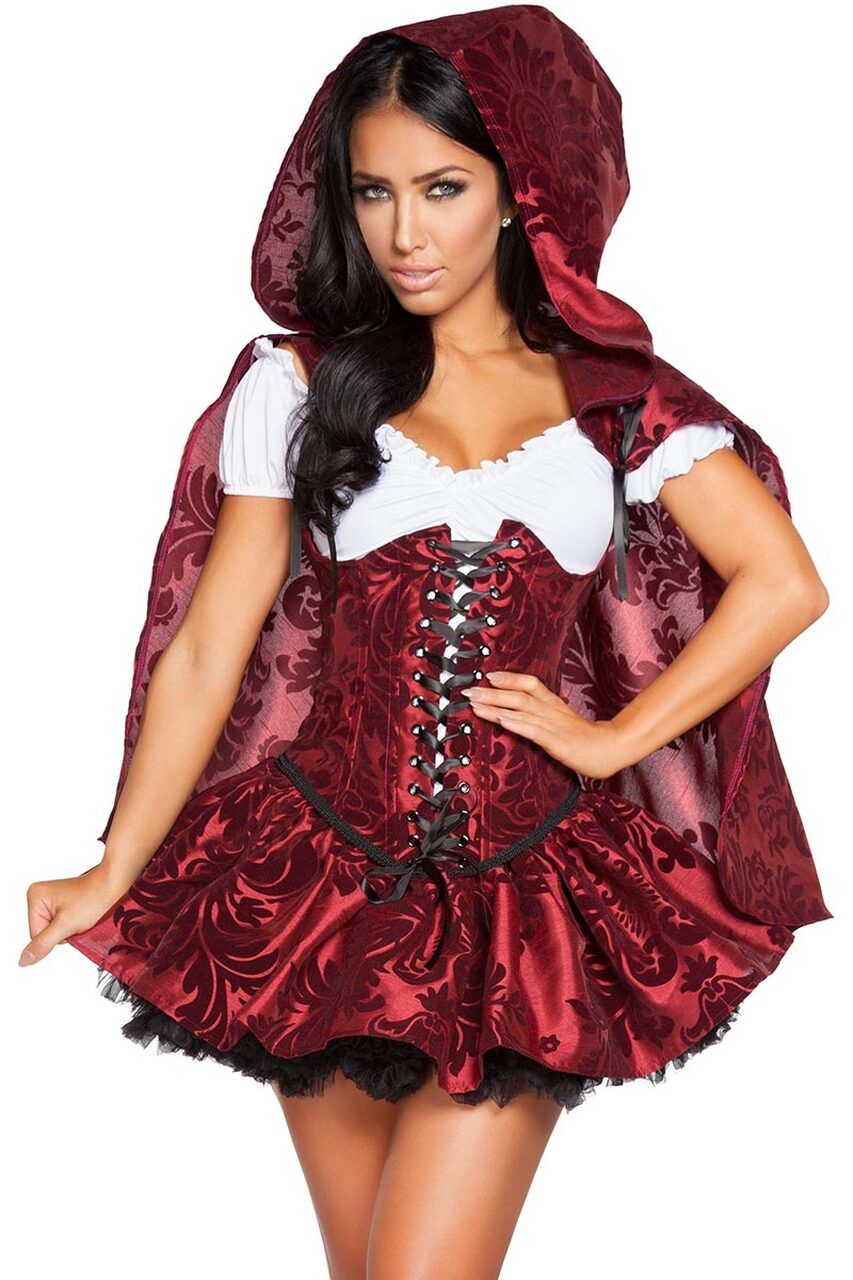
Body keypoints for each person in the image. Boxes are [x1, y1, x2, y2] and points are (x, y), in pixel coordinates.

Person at [21, 7, 832, 1278]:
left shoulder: (615, 405)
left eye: (442, 188)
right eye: (374, 191)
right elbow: (210, 644)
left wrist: (612, 736)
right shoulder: (301, 383)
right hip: (318, 885)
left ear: (520, 195)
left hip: (522, 899)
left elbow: (782, 583)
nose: (404, 233)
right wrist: (113, 863)